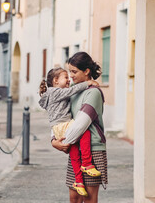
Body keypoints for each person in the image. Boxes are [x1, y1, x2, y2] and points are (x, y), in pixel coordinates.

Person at [51, 52, 108, 203]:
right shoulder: (73, 91)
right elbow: (60, 116)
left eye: (74, 71)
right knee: (74, 197)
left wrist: (63, 142)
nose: (70, 76)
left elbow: (80, 124)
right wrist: (53, 140)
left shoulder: (93, 93)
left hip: (93, 150)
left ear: (87, 71)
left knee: (89, 198)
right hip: (76, 148)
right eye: (69, 71)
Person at [38, 67, 101, 197]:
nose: (69, 80)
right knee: (85, 133)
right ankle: (87, 164)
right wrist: (88, 83)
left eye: (71, 74)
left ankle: (78, 181)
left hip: (59, 128)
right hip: (63, 126)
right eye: (66, 77)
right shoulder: (55, 92)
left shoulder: (54, 92)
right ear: (56, 81)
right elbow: (73, 89)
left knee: (74, 153)